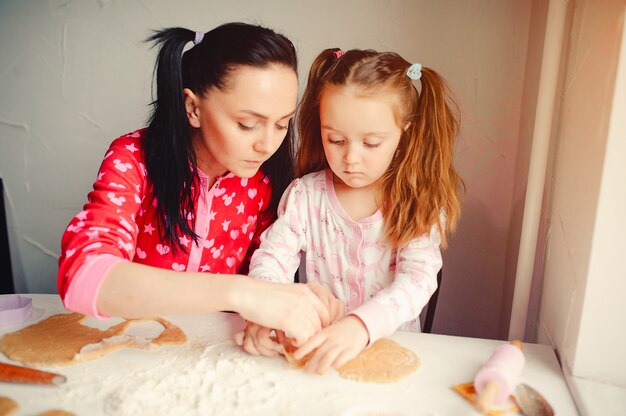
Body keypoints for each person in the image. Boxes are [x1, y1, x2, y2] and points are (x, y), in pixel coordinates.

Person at [57, 22, 331, 345]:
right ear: (193, 108)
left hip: (215, 352)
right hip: (132, 345)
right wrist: (242, 293)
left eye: (283, 124)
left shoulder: (266, 184)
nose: (267, 144)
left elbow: (267, 274)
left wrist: (265, 315)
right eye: (247, 124)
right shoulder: (133, 159)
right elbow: (83, 277)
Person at [236, 48, 463, 373]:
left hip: (392, 351)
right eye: (336, 140)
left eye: (371, 143)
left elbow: (418, 280)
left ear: (405, 131)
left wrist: (361, 326)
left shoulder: (417, 201)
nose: (351, 158)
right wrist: (264, 312)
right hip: (319, 351)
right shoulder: (306, 195)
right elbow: (272, 259)